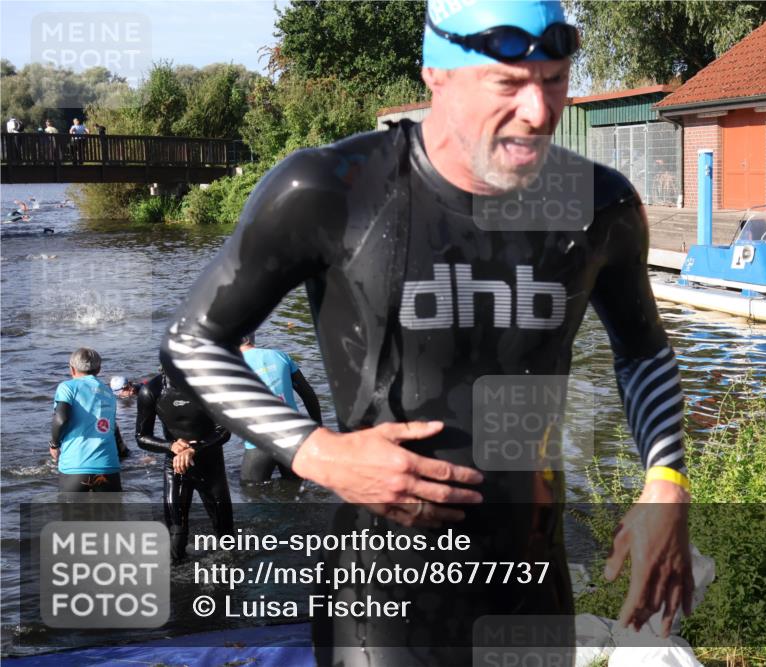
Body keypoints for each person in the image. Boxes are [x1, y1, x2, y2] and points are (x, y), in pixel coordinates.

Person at [160, 1, 690, 663]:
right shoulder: (334, 188)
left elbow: (642, 352)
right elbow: (192, 340)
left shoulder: (597, 204)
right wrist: (318, 452)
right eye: (509, 84)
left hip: (530, 585)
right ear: (435, 73)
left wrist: (666, 478)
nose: (539, 111)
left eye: (554, 80)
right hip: (381, 600)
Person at [135, 368, 234, 562]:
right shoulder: (152, 391)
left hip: (210, 462)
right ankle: (175, 580)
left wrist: (194, 449)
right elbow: (141, 437)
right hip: (176, 464)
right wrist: (170, 446)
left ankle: (232, 582)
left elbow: (224, 430)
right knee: (176, 533)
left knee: (226, 536)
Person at [239, 333, 323, 483]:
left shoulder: (233, 365)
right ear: (252, 337)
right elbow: (308, 395)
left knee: (251, 491)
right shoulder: (280, 356)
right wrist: (319, 428)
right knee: (294, 488)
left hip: (261, 439)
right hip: (294, 436)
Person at [50, 348, 128, 492]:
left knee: (72, 514)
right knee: (111, 514)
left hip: (75, 467)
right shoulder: (109, 393)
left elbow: (61, 419)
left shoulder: (67, 387)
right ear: (98, 369)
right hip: (108, 466)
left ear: (72, 369)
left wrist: (54, 444)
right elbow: (113, 429)